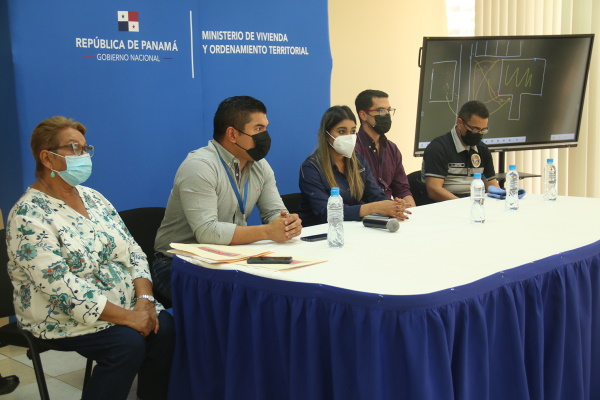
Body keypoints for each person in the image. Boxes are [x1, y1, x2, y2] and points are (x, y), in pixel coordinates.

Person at [5, 116, 174, 400]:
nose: (83, 155)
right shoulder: (28, 214)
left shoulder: (94, 198)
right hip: (61, 315)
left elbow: (133, 251)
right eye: (74, 148)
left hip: (126, 305)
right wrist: (129, 318)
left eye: (85, 148)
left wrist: (144, 301)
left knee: (165, 329)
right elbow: (59, 287)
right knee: (126, 345)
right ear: (47, 158)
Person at [152, 96, 302, 302]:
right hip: (177, 263)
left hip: (228, 257)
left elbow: (274, 212)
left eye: (266, 128)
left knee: (277, 292)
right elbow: (207, 232)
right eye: (258, 129)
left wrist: (286, 223)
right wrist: (268, 231)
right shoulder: (200, 166)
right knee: (232, 305)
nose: (265, 136)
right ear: (232, 134)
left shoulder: (260, 165)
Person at [298, 105, 410, 226]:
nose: (349, 137)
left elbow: (375, 195)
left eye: (352, 131)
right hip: (318, 230)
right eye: (342, 131)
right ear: (326, 135)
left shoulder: (358, 160)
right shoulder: (311, 168)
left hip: (349, 227)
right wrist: (374, 208)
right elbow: (325, 212)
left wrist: (392, 205)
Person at [422, 100, 501, 201]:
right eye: (475, 129)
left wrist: (502, 197)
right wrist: (462, 205)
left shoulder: (483, 149)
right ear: (460, 123)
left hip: (475, 203)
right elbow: (434, 190)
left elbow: (492, 186)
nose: (479, 134)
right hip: (447, 205)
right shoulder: (438, 148)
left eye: (483, 130)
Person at [354, 89, 416, 207]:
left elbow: (402, 190)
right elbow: (355, 196)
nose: (386, 115)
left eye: (388, 110)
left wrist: (412, 211)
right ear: (363, 115)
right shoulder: (353, 149)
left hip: (391, 210)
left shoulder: (392, 148)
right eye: (381, 110)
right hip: (365, 213)